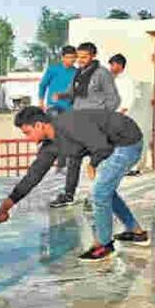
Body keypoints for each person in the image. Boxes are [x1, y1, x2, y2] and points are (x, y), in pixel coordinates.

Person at [0, 106, 148, 261]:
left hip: (128, 141)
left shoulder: (70, 124)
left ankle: (103, 244)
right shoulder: (50, 146)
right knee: (105, 191)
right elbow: (32, 177)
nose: (27, 137)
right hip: (113, 143)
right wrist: (5, 207)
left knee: (100, 193)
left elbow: (102, 147)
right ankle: (137, 232)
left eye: (27, 132)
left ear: (39, 125)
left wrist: (92, 164)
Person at [50, 42, 121, 208]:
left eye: (84, 57)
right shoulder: (79, 74)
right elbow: (71, 92)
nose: (80, 60)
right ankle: (68, 195)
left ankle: (99, 195)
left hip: (96, 126)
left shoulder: (102, 74)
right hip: (79, 124)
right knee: (73, 159)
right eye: (78, 57)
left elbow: (114, 99)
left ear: (93, 56)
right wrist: (61, 95)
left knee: (99, 163)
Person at [38, 45, 77, 172]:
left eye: (73, 58)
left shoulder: (77, 72)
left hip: (69, 108)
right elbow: (43, 85)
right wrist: (40, 102)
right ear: (62, 58)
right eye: (68, 57)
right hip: (53, 107)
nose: (71, 60)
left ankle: (61, 164)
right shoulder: (53, 70)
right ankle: (43, 158)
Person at [109, 53, 142, 176]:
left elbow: (131, 97)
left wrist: (123, 110)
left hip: (123, 115)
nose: (111, 67)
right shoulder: (112, 79)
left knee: (126, 142)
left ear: (120, 65)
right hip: (112, 115)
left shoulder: (128, 80)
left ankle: (130, 168)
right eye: (111, 65)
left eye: (113, 65)